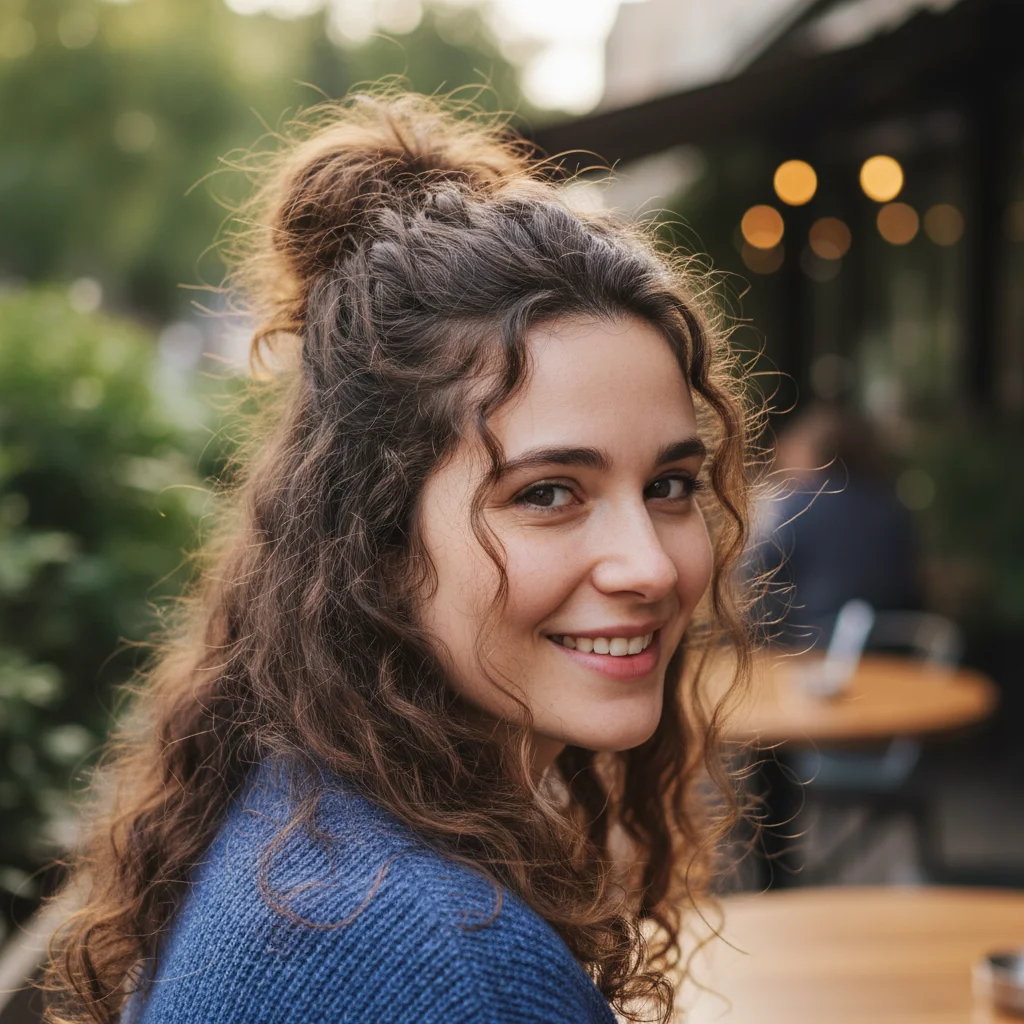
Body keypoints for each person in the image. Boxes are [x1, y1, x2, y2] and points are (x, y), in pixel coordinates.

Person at [43, 92, 757, 1024]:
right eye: (546, 493)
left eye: (669, 485)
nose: (651, 568)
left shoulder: (310, 825)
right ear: (377, 541)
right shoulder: (454, 961)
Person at [754, 402, 923, 648]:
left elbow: (760, 581)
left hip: (812, 649)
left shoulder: (799, 506)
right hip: (893, 647)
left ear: (817, 452)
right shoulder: (892, 508)